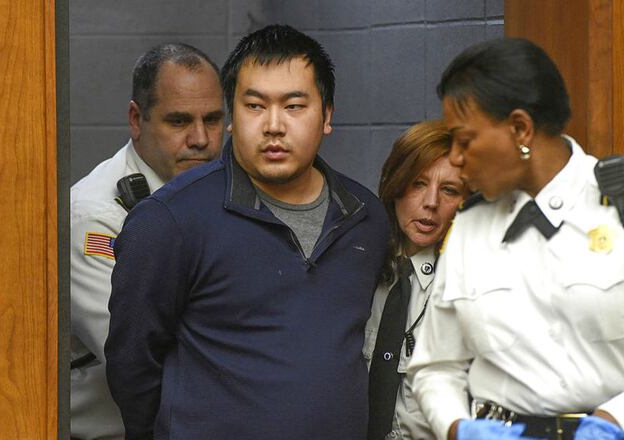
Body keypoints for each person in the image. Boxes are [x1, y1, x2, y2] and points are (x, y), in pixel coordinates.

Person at [407, 38, 624, 440]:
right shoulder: (470, 226)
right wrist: (458, 428)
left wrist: (613, 422)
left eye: (464, 140)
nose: (455, 157)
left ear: (520, 129)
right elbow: (436, 366)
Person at [104, 24, 390, 440]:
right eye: (255, 106)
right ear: (232, 116)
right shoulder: (168, 221)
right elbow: (132, 367)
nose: (273, 125)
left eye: (294, 106)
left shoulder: (365, 217)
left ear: (327, 115)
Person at [70, 43, 224, 440]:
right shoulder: (95, 217)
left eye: (212, 119)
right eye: (179, 121)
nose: (201, 139)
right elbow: (140, 355)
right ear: (137, 120)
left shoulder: (221, 194)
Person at [365, 120, 468, 440]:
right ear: (394, 186)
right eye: (418, 184)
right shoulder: (358, 267)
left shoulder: (468, 286)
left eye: (449, 190)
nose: (431, 202)